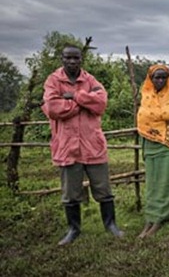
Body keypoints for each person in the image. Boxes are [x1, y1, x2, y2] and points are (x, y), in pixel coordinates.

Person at [42, 45, 123, 246]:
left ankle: (110, 224)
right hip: (67, 146)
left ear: (81, 59)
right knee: (70, 193)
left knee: (104, 189)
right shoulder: (53, 80)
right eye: (68, 58)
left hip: (92, 145)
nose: (72, 62)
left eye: (76, 58)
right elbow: (53, 108)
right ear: (61, 59)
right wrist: (85, 102)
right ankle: (73, 229)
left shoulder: (90, 80)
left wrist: (75, 96)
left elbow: (101, 103)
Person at [137, 64, 169, 238]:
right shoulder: (145, 94)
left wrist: (152, 115)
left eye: (163, 77)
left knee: (167, 182)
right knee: (152, 183)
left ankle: (159, 219)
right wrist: (157, 114)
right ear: (150, 78)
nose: (159, 81)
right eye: (156, 77)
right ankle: (150, 218)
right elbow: (142, 116)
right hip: (150, 144)